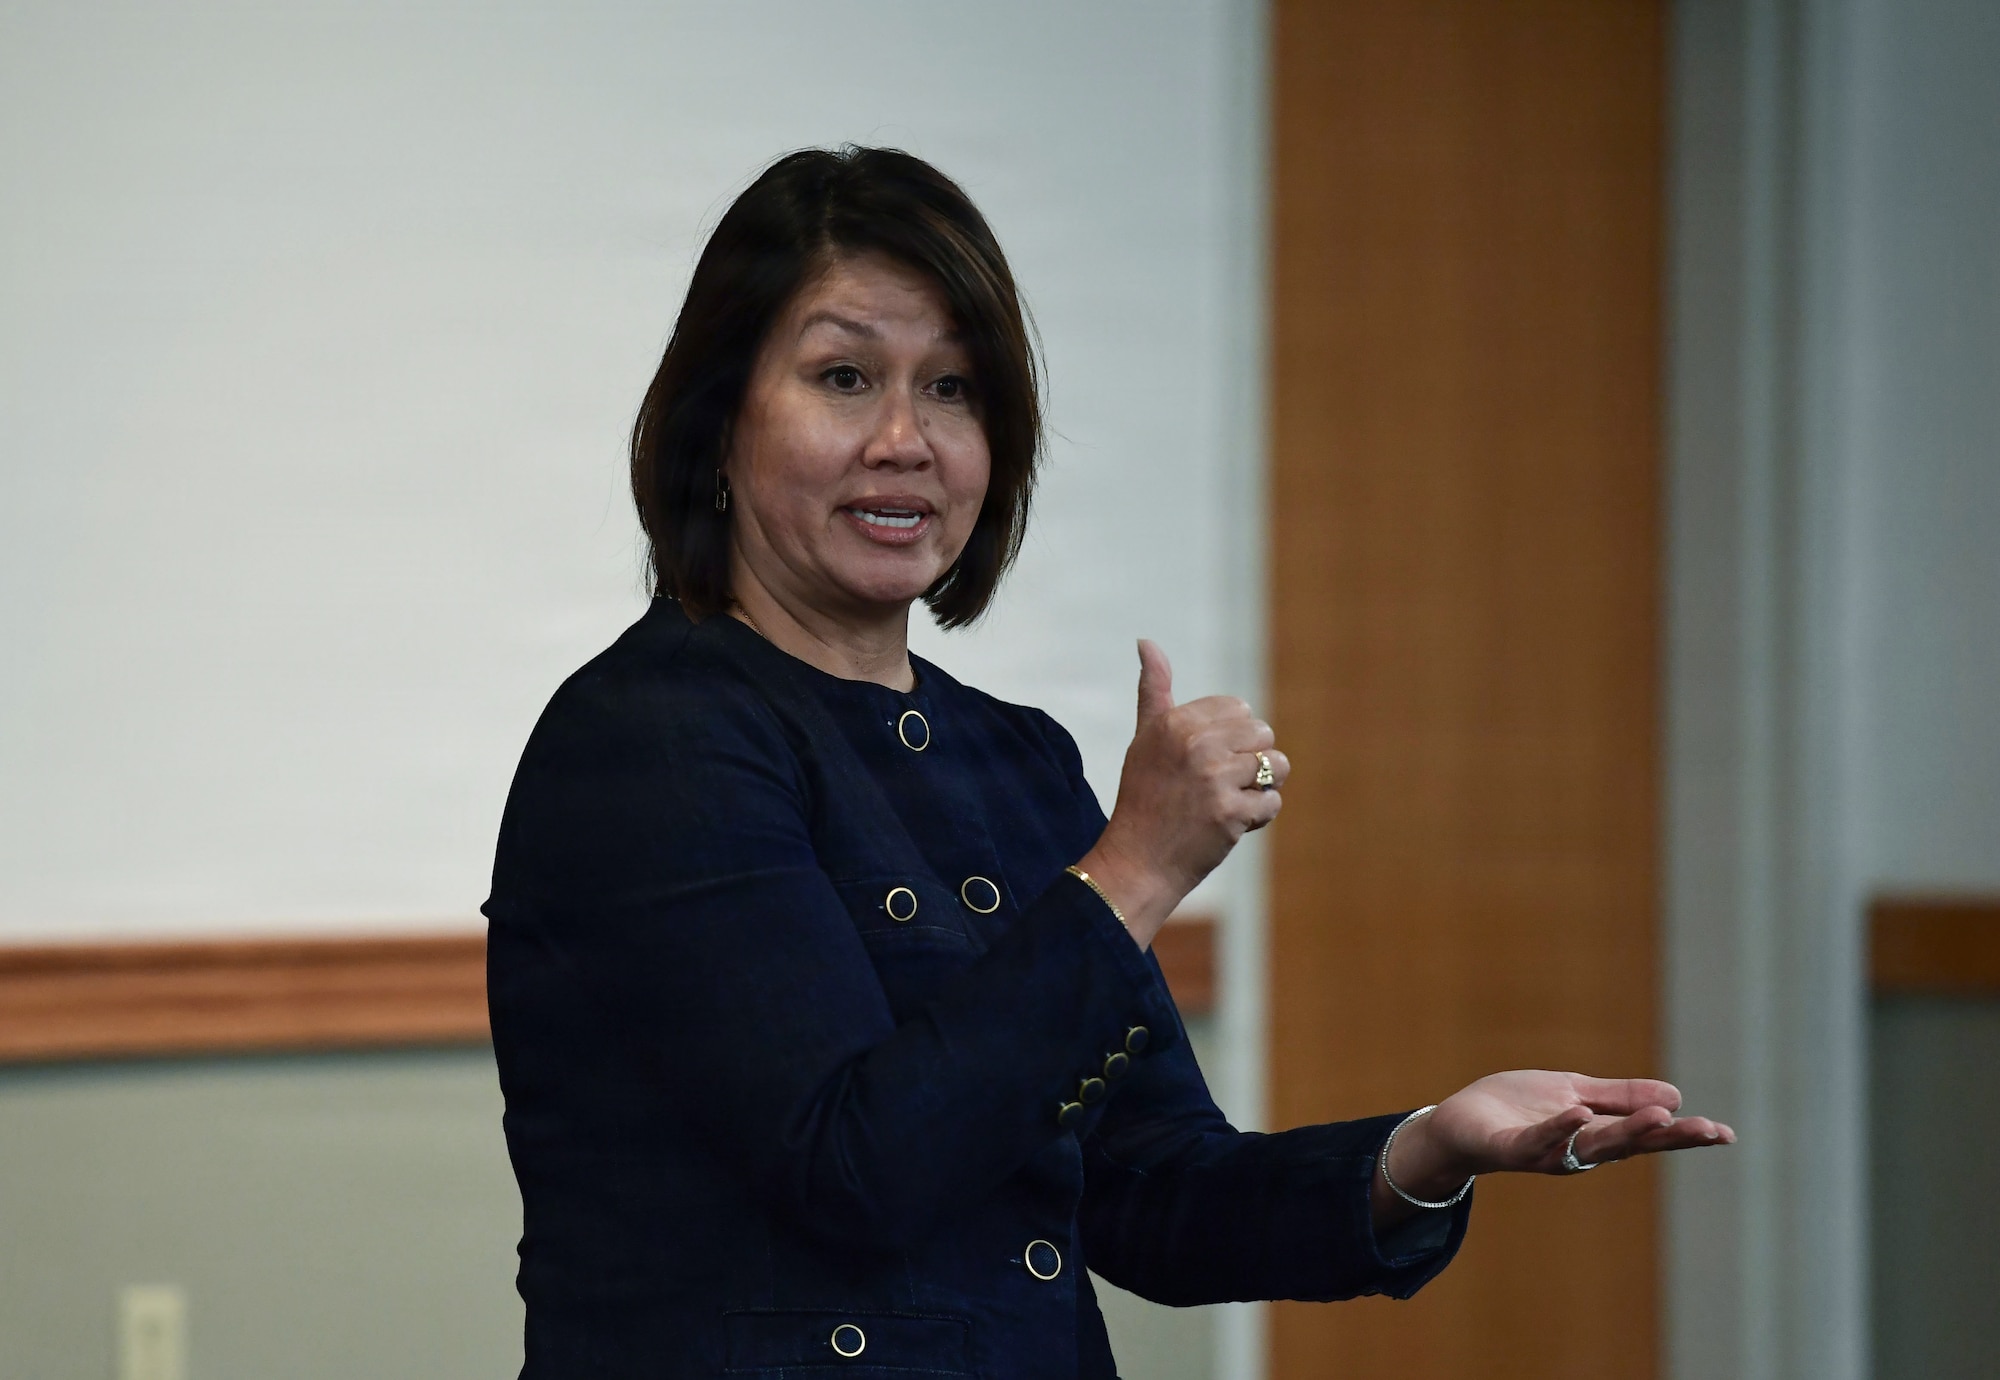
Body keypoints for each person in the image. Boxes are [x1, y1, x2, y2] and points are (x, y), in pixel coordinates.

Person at [482, 146, 1734, 1380]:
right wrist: (1136, 867)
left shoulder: (1015, 760)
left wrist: (1427, 1150)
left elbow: (1154, 1195)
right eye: (844, 376)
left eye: (956, 389)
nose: (907, 439)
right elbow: (852, 1176)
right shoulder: (648, 739)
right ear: (717, 420)